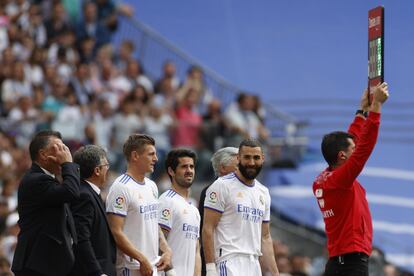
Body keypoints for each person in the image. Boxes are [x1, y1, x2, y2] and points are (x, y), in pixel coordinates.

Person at [312, 83, 389, 276]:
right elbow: (363, 149)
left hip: (340, 263)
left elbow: (351, 142)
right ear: (342, 156)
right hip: (351, 265)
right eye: (351, 150)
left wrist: (362, 111)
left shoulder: (326, 178)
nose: (355, 149)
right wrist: (376, 108)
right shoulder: (340, 180)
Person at [203, 139, 279, 276]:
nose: (251, 163)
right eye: (247, 157)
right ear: (238, 158)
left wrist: (275, 273)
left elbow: (265, 237)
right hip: (229, 261)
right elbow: (208, 228)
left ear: (263, 159)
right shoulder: (221, 185)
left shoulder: (263, 192)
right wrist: (210, 269)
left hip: (254, 264)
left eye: (256, 158)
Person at [11, 130, 80, 276]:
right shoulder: (36, 180)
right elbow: (71, 192)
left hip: (47, 263)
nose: (64, 152)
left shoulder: (49, 179)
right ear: (43, 154)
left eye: (64, 148)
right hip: (37, 264)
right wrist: (68, 163)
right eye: (58, 148)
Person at [106, 134, 172, 276]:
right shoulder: (120, 188)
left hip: (153, 265)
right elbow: (116, 231)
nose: (156, 159)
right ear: (135, 156)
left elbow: (155, 224)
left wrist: (166, 250)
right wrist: (141, 259)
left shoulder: (152, 186)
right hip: (131, 267)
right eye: (151, 154)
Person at [70, 145, 116, 276]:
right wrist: (97, 272)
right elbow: (82, 238)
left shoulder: (90, 192)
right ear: (97, 170)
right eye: (106, 165)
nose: (108, 169)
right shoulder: (84, 196)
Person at [158, 148, 201, 276]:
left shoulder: (193, 209)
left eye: (191, 167)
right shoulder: (166, 201)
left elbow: (196, 250)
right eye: (184, 167)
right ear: (171, 171)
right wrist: (171, 272)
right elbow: (158, 241)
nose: (189, 171)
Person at [198, 147, 238, 276]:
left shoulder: (245, 191)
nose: (242, 168)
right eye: (237, 165)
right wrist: (209, 267)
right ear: (223, 168)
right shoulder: (211, 191)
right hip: (221, 260)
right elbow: (206, 230)